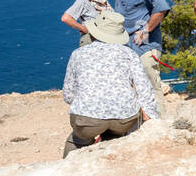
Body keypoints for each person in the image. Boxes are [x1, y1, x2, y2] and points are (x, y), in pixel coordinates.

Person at [87, 0, 171, 117]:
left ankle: (160, 128)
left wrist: (145, 31)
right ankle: (141, 127)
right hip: (128, 44)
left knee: (150, 87)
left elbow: (161, 7)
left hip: (145, 46)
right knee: (133, 88)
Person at [61, 9, 160, 157]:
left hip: (88, 119)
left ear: (94, 32)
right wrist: (151, 117)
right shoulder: (129, 54)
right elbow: (144, 89)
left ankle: (68, 170)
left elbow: (68, 95)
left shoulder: (78, 54)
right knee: (114, 139)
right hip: (123, 118)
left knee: (76, 140)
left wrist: (89, 104)